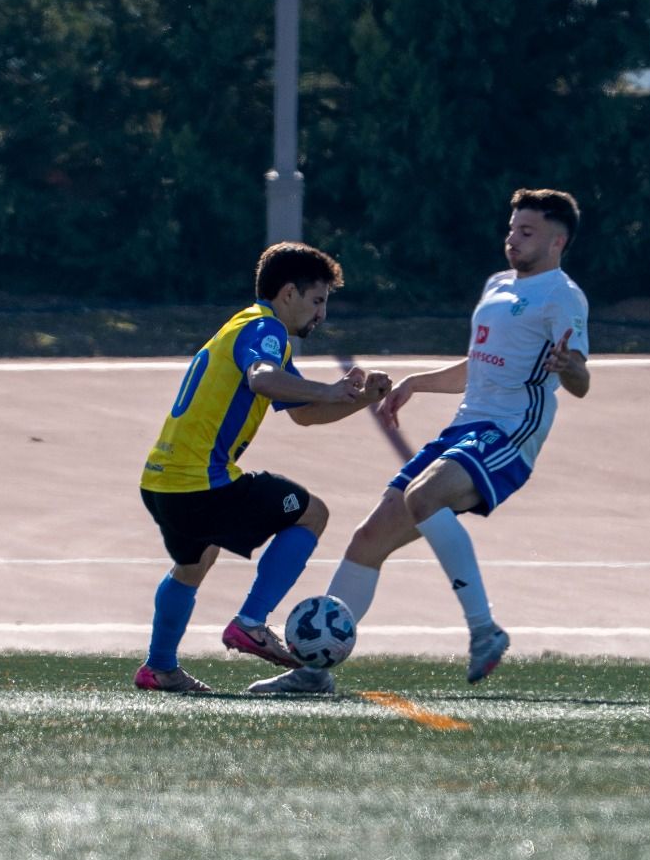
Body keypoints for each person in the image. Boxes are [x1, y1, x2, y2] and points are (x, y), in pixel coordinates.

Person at [248, 189, 589, 694]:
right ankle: (314, 672)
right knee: (369, 537)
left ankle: (484, 629)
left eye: (527, 231)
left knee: (423, 496)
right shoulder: (498, 286)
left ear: (558, 240)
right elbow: (480, 367)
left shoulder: (562, 296)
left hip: (509, 433)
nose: (512, 238)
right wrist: (417, 383)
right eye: (512, 228)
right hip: (465, 429)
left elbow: (580, 378)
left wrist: (572, 367)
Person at [135, 242, 391, 695]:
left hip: (160, 482)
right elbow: (261, 378)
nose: (322, 315)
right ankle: (252, 622)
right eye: (318, 301)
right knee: (312, 513)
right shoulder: (265, 329)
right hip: (199, 482)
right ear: (288, 293)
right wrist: (331, 390)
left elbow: (305, 413)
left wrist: (360, 399)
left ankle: (159, 668)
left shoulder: (246, 327)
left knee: (195, 563)